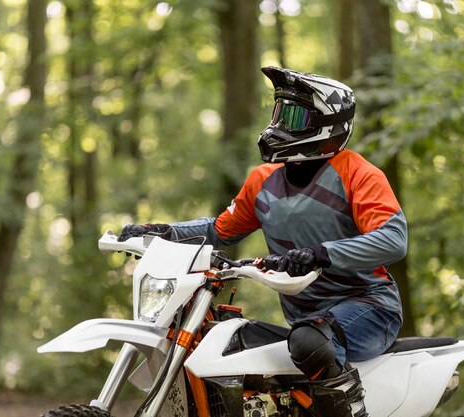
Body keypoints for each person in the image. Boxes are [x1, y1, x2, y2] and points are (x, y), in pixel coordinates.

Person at [119, 66, 407, 417]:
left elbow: (393, 240)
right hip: (309, 320)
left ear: (326, 125)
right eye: (280, 112)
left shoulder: (358, 174)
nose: (282, 124)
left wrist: (320, 254)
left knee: (307, 341)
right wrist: (164, 231)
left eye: (295, 115)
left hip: (371, 308)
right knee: (231, 344)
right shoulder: (263, 181)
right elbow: (219, 230)